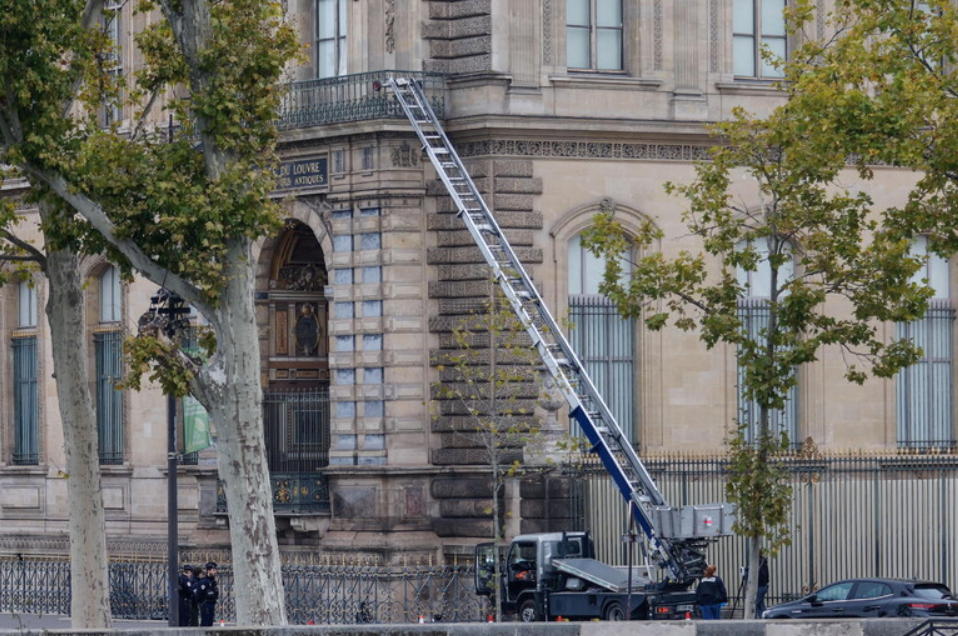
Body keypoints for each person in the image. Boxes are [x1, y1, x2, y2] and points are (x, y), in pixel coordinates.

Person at [194, 562, 219, 626]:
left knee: (210, 623)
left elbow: (216, 592)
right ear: (208, 571)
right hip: (205, 604)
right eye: (213, 570)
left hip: (212, 604)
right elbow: (199, 594)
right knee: (205, 623)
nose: (215, 572)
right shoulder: (204, 581)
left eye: (215, 570)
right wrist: (201, 603)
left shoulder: (213, 582)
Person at [755, 550, 770, 619]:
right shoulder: (763, 562)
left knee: (756, 603)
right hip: (764, 586)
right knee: (760, 604)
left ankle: (756, 618)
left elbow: (762, 576)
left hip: (761, 586)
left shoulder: (759, 563)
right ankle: (764, 616)